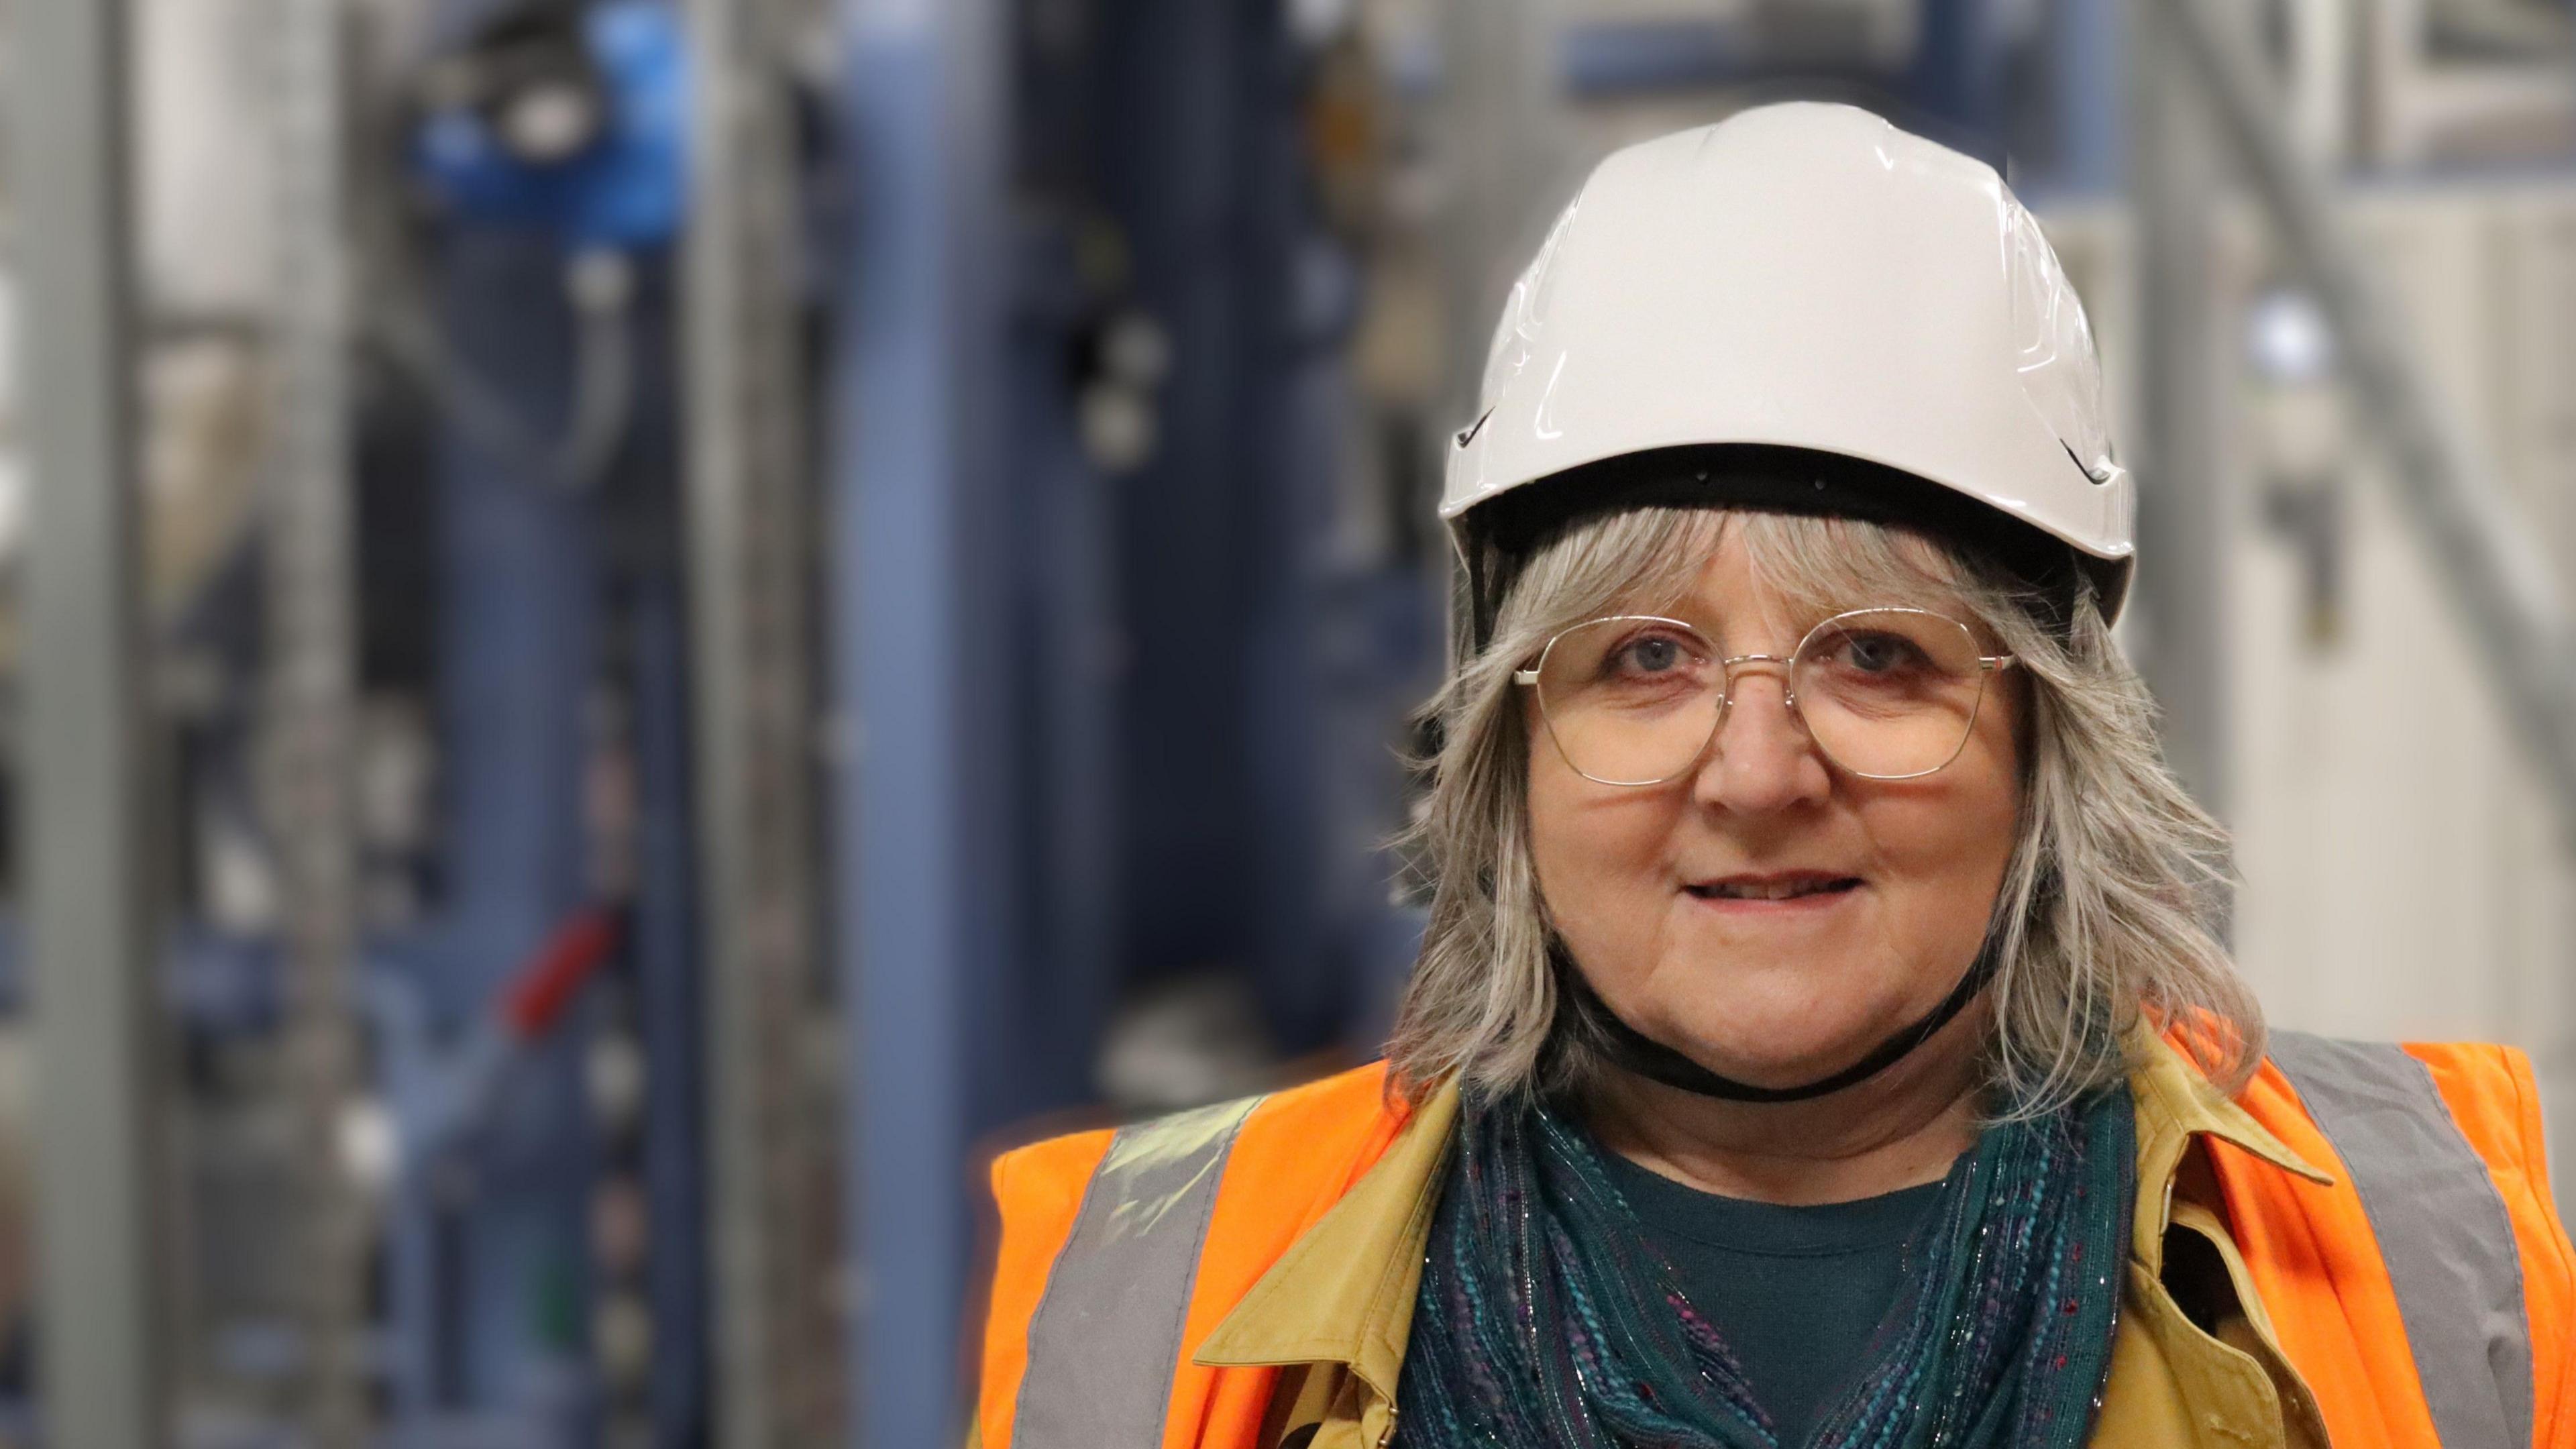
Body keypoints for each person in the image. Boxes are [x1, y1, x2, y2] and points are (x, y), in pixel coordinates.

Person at [971, 103, 2575, 1449]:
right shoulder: (1148, 1297)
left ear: (2048, 736)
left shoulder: (2437, 1253)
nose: (1754, 769)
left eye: (1877, 657)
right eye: (1644, 661)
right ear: (1510, 748)